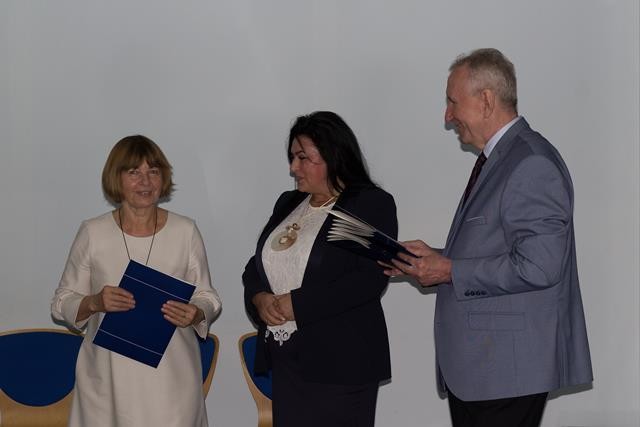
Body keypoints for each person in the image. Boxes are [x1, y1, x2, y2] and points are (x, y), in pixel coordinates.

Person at [384, 48, 593, 426]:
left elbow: (540, 265)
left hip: (505, 371)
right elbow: (504, 251)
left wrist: (450, 270)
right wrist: (432, 260)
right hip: (488, 371)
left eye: (452, 102)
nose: (447, 116)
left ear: (485, 100)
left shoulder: (530, 162)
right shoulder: (506, 158)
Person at [52, 135, 221, 427]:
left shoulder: (185, 231)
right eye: (134, 172)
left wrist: (196, 312)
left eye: (153, 171)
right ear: (115, 178)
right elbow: (61, 302)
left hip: (172, 382)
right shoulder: (93, 232)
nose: (146, 181)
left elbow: (208, 296)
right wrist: (95, 302)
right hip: (107, 383)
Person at [243, 111, 397, 427]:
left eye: (302, 158)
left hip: (340, 363)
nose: (293, 168)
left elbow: (367, 279)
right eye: (292, 157)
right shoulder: (288, 203)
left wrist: (297, 305)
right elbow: (256, 266)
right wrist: (259, 298)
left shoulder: (365, 204)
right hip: (287, 360)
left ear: (333, 155)